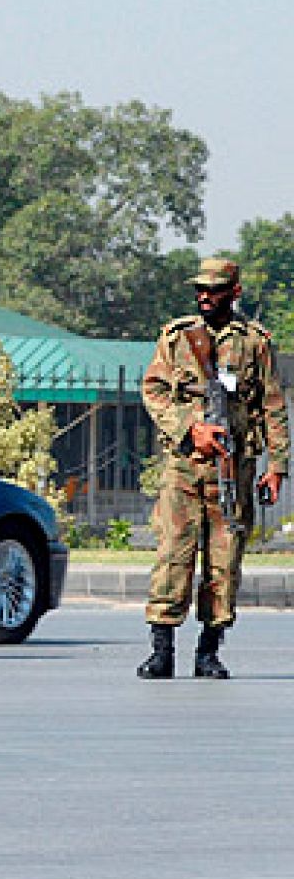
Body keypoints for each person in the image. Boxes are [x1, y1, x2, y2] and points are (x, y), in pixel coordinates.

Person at [137, 257, 287, 680]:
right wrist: (190, 428)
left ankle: (209, 650)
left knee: (225, 560)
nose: (205, 296)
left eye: (215, 290)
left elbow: (272, 407)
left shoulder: (255, 343)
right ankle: (161, 650)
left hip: (233, 468)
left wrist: (276, 466)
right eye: (200, 290)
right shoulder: (177, 338)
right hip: (185, 467)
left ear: (234, 292)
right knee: (173, 555)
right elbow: (154, 391)